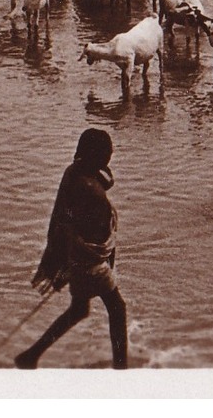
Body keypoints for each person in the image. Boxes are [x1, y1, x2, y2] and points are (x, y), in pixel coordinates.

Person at [16, 128, 128, 370]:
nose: (110, 157)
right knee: (117, 309)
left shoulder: (74, 172)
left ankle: (30, 355)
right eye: (106, 153)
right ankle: (121, 369)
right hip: (89, 261)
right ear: (95, 156)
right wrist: (105, 255)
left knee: (79, 310)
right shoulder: (90, 189)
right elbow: (95, 232)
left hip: (78, 257)